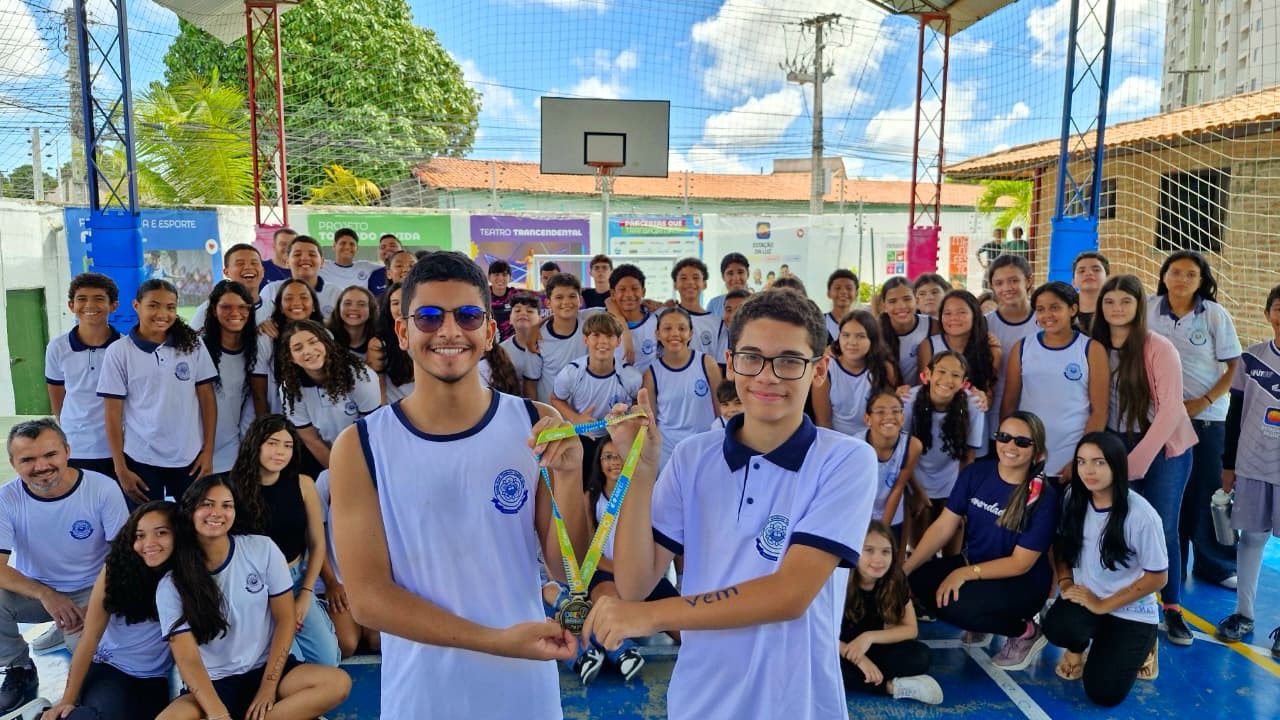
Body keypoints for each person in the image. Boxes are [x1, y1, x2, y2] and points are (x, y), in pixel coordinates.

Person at [584, 289, 878, 720]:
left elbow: (789, 594)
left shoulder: (845, 460)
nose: (768, 376)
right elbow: (633, 584)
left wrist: (645, 617)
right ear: (730, 361)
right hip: (700, 699)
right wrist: (640, 471)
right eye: (752, 357)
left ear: (820, 370)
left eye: (790, 361)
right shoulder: (693, 457)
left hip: (796, 702)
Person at [329, 251, 589, 718]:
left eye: (468, 316)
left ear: (490, 331)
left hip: (524, 691)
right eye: (429, 317)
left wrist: (569, 478)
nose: (449, 331)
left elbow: (567, 568)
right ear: (403, 333)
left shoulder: (537, 424)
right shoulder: (361, 445)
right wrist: (495, 641)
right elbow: (368, 600)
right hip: (423, 695)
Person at [155, 476, 350, 720]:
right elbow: (188, 660)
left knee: (337, 683)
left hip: (266, 671)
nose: (217, 512)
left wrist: (268, 687)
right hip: (213, 682)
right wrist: (217, 714)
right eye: (207, 504)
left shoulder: (261, 549)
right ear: (190, 510)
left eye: (227, 505)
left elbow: (286, 619)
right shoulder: (171, 584)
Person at [904, 411, 1061, 671]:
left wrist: (965, 573)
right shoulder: (977, 473)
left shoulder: (1043, 499)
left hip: (1022, 583)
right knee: (918, 580)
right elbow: (944, 525)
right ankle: (983, 620)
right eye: (1004, 437)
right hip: (976, 566)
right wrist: (906, 569)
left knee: (955, 605)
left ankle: (1025, 631)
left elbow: (1020, 564)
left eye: (1022, 442)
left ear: (1037, 451)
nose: (1010, 446)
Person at [1094, 274, 1198, 646]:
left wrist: (1135, 462)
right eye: (1110, 301)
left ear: (1139, 307)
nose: (1117, 308)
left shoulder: (1158, 347)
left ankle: (1171, 607)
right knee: (1117, 525)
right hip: (1114, 443)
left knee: (1161, 526)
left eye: (1126, 301)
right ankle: (1122, 603)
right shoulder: (1094, 347)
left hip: (1163, 447)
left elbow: (1171, 410)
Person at [0, 419, 129, 714]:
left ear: (67, 451)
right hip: (37, 593)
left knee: (93, 676)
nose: (41, 466)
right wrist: (47, 595)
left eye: (50, 455)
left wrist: (98, 604)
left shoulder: (102, 489)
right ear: (13, 463)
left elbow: (123, 559)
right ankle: (18, 667)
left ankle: (70, 632)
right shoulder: (6, 498)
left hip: (92, 590)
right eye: (28, 459)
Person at [1045, 432, 1168, 706]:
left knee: (1103, 693)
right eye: (1081, 461)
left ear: (1117, 465)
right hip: (1089, 599)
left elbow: (1158, 577)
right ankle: (1078, 651)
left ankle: (1145, 646)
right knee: (1056, 627)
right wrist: (1065, 582)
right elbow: (1062, 544)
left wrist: (1103, 604)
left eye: (1099, 462)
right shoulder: (1072, 498)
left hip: (1130, 609)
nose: (1089, 470)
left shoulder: (1141, 515)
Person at [1148, 251, 1242, 590]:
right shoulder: (1148, 309)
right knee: (1169, 493)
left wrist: (1203, 400)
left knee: (1209, 492)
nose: (1182, 280)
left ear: (1202, 281)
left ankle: (1216, 564)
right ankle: (1168, 564)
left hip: (1207, 419)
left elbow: (1235, 367)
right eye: (1176, 272)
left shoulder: (1214, 314)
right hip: (1158, 421)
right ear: (1164, 276)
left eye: (1191, 274)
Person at [40, 501, 178, 720]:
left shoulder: (187, 574)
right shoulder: (116, 569)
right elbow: (90, 637)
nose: (149, 543)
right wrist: (67, 700)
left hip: (153, 677)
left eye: (161, 532)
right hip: (110, 668)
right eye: (139, 535)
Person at [228, 416, 340, 667]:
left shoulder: (304, 484)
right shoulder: (229, 486)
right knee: (285, 662)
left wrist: (306, 594)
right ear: (255, 444)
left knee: (327, 660)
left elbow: (317, 543)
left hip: (297, 579)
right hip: (253, 585)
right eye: (272, 443)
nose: (281, 452)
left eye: (288, 445)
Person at [98, 279, 217, 505]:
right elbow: (112, 414)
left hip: (189, 458)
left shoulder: (193, 345)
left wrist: (207, 452)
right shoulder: (119, 351)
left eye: (170, 307)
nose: (162, 313)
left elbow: (207, 399)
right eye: (153, 305)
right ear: (136, 305)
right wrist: (120, 467)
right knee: (148, 525)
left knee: (193, 525)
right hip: (141, 458)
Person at [1213, 284, 1280, 657]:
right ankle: (1244, 614)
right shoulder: (1252, 359)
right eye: (1279, 307)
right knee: (1252, 539)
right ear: (1268, 313)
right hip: (1253, 465)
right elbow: (1234, 415)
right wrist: (1228, 465)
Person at [1002, 282, 1109, 480]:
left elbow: (1100, 411)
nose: (1047, 315)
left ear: (1073, 309)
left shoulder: (1091, 350)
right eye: (1041, 309)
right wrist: (1011, 450)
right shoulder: (1023, 347)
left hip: (1069, 458)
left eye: (1055, 307)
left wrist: (1081, 459)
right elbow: (1009, 405)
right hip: (1027, 457)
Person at [839, 521, 941, 705]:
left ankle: (864, 679)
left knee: (920, 656)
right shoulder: (838, 580)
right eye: (868, 550)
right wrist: (858, 659)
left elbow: (910, 629)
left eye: (885, 551)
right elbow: (819, 634)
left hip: (873, 647)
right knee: (820, 665)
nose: (878, 559)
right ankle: (891, 687)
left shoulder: (895, 579)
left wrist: (868, 637)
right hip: (838, 649)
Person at [903, 351, 986, 550]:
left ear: (964, 382)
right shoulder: (909, 402)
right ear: (927, 374)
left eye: (955, 375)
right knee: (920, 546)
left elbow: (969, 456)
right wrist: (918, 492)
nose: (947, 379)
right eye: (941, 371)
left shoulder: (974, 404)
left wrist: (960, 497)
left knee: (952, 537)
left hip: (953, 482)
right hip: (916, 480)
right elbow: (904, 455)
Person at [277, 319, 381, 475]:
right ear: (291, 358)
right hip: (327, 458)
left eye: (313, 342)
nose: (308, 351)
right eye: (298, 348)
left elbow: (372, 430)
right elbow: (311, 439)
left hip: (368, 452)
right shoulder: (290, 390)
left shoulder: (360, 377)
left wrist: (359, 472)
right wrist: (339, 473)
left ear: (326, 343)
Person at [46, 272, 123, 480]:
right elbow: (57, 395)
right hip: (75, 447)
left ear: (113, 306)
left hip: (119, 449)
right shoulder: (57, 347)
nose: (90, 305)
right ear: (71, 305)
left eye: (99, 299)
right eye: (82, 299)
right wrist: (69, 428)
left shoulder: (124, 347)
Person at [641, 307, 723, 469]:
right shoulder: (651, 373)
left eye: (682, 328)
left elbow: (720, 411)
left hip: (704, 449)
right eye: (667, 328)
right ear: (657, 334)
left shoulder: (707, 364)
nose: (675, 333)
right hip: (668, 454)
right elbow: (651, 422)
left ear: (691, 333)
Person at [201, 281, 264, 475]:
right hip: (198, 453)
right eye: (226, 307)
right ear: (213, 310)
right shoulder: (197, 349)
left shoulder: (255, 350)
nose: (235, 313)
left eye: (242, 307)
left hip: (232, 453)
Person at [985, 255, 1038, 459]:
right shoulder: (984, 325)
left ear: (1029, 281)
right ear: (992, 287)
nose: (1007, 287)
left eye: (1014, 280)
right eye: (999, 282)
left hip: (1034, 412)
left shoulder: (1045, 321)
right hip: (994, 415)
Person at [917, 290, 1000, 422]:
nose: (953, 318)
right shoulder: (929, 345)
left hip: (973, 424)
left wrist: (982, 399)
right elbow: (923, 389)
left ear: (975, 315)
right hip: (934, 422)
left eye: (961, 312)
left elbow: (989, 398)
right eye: (947, 313)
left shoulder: (991, 349)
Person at [813, 310, 897, 439]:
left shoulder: (884, 369)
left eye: (861, 336)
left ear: (872, 340)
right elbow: (823, 421)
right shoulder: (826, 368)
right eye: (845, 335)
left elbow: (887, 415)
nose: (852, 342)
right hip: (838, 441)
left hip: (874, 441)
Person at [863, 392, 923, 537]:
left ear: (903, 418)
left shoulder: (912, 445)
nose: (889, 416)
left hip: (891, 515)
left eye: (895, 411)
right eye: (880, 411)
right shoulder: (856, 447)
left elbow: (898, 488)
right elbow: (853, 494)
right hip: (861, 515)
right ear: (867, 419)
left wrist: (882, 532)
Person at [259, 235, 343, 324]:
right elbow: (259, 321)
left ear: (322, 262)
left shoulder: (336, 294)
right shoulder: (271, 290)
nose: (305, 258)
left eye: (312, 254)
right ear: (287, 261)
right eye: (297, 254)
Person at [189, 244, 268, 330]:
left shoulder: (274, 309)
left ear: (263, 271)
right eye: (240, 263)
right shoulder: (209, 310)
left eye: (254, 263)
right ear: (226, 272)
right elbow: (191, 341)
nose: (248, 267)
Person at [878, 277, 936, 390]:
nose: (901, 306)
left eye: (907, 299)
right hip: (886, 396)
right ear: (883, 306)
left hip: (921, 395)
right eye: (892, 301)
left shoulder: (932, 325)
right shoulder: (874, 331)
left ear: (917, 301)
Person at [368, 283, 415, 404]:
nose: (401, 308)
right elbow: (378, 389)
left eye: (407, 301)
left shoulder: (432, 337)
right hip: (399, 413)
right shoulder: (378, 344)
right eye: (395, 303)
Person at [610, 264, 660, 374]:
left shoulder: (656, 320)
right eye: (622, 289)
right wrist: (625, 331)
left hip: (648, 387)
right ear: (613, 294)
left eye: (634, 288)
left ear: (643, 291)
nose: (629, 294)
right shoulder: (602, 321)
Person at [671, 258, 719, 359]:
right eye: (683, 278)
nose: (690, 282)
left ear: (704, 284)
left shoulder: (718, 324)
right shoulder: (663, 317)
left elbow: (720, 367)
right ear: (675, 285)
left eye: (696, 277)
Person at [499, 292, 544, 400]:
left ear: (539, 319)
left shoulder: (549, 346)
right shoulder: (501, 351)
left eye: (529, 311)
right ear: (510, 319)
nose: (523, 314)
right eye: (517, 310)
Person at [319, 228, 380, 292]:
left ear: (357, 248)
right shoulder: (321, 266)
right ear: (334, 246)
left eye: (352, 244)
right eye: (343, 243)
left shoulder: (366, 266)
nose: (347, 247)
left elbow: (389, 268)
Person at [327, 285, 379, 361]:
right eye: (347, 303)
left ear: (371, 311)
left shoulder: (379, 340)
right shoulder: (326, 338)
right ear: (338, 308)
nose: (354, 308)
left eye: (361, 304)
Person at [711, 289, 750, 374]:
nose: (733, 315)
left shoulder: (759, 340)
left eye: (739, 309)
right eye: (728, 310)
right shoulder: (719, 337)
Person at [1072, 251, 1109, 334]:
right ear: (1073, 282)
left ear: (1108, 279)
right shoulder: (1064, 312)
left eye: (1096, 270)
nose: (1088, 273)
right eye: (1081, 271)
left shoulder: (1117, 310)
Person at [705, 252, 750, 317]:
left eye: (740, 272)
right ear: (723, 277)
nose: (736, 278)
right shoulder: (714, 305)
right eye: (730, 273)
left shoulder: (759, 304)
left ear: (748, 274)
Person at [825, 269, 859, 342]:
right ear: (828, 293)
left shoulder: (862, 323)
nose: (843, 292)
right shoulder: (820, 322)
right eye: (837, 288)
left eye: (849, 288)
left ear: (856, 294)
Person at [488, 259, 518, 342]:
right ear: (489, 277)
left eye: (504, 275)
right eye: (496, 274)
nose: (500, 278)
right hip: (489, 344)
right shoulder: (482, 295)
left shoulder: (516, 295)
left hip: (510, 345)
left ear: (510, 278)